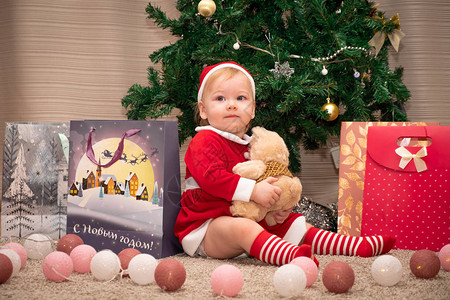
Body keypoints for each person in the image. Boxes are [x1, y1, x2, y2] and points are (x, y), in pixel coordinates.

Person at [174, 61, 395, 266]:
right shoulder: (204, 140)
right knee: (242, 227)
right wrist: (253, 191)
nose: (231, 105)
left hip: (248, 217)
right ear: (203, 110)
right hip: (206, 226)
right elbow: (212, 179)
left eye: (240, 98)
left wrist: (273, 209)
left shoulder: (252, 145)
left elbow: (264, 185)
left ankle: (352, 246)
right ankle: (289, 255)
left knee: (295, 223)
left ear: (252, 111)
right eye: (220, 99)